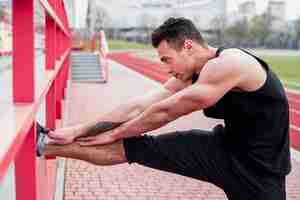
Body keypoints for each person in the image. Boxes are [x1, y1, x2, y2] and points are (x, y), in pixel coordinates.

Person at [36, 17, 291, 200]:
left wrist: (115, 133)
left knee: (124, 139)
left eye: (167, 59)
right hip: (223, 149)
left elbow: (167, 111)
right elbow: (140, 105)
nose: (167, 68)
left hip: (261, 171)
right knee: (134, 147)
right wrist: (80, 128)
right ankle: (44, 143)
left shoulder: (230, 64)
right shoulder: (191, 72)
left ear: (188, 46)